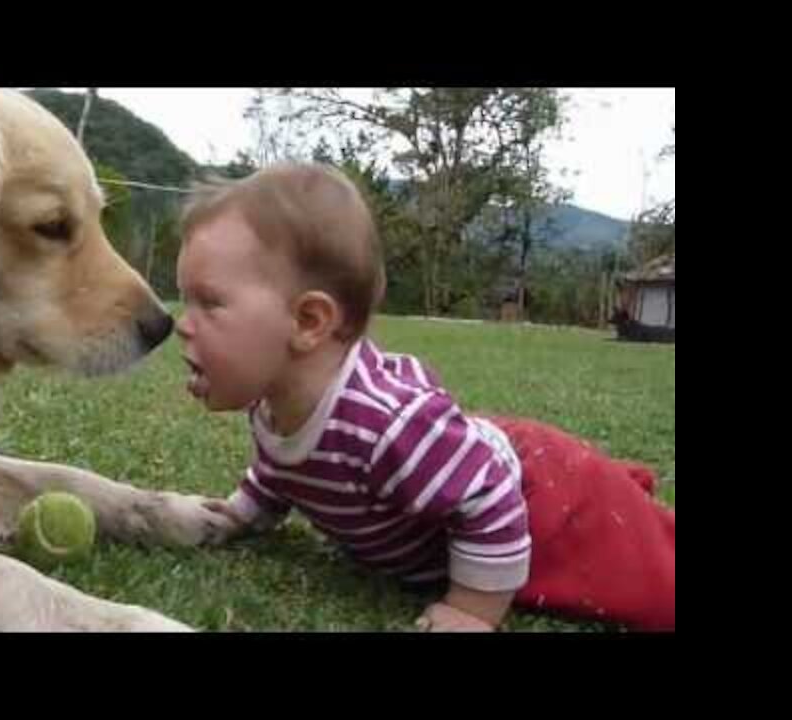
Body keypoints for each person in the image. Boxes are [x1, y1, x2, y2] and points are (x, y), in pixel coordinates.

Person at [174, 163, 674, 631]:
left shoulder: (385, 425)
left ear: (308, 322)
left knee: (652, 574)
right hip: (460, 462)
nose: (181, 323)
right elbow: (280, 470)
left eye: (209, 302)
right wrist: (243, 513)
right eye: (185, 299)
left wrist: (471, 609)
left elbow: (490, 496)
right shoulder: (273, 402)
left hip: (534, 491)